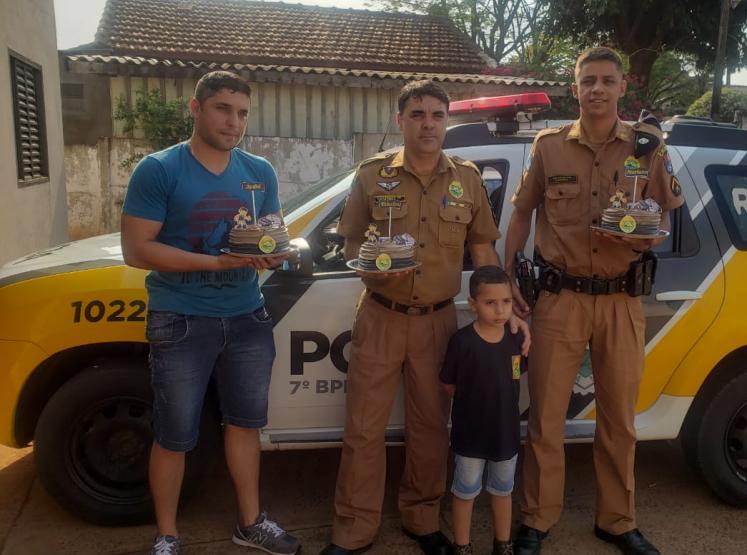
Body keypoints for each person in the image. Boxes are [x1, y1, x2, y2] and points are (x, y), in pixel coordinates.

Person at [321, 80, 529, 555]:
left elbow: (482, 250)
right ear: (401, 120)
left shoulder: (468, 178)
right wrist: (376, 260)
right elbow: (352, 240)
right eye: (417, 114)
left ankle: (420, 518)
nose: (428, 123)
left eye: (437, 114)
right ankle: (354, 529)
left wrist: (505, 310)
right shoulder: (372, 175)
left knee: (431, 427)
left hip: (438, 323)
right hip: (380, 316)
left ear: (446, 120)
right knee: (364, 428)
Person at [503, 47, 684, 555]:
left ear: (623, 87)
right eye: (589, 81)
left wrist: (647, 237)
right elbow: (521, 213)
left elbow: (666, 219)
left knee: (619, 419)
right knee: (545, 418)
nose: (597, 89)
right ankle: (537, 519)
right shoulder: (549, 146)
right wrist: (510, 273)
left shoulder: (648, 147)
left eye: (607, 80)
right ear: (576, 87)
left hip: (622, 300)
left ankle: (618, 520)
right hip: (559, 300)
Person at [121, 70, 300, 555]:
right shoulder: (159, 170)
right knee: (175, 434)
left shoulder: (259, 171)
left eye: (242, 113)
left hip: (247, 316)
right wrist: (217, 262)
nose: (234, 121)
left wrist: (272, 253)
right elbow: (137, 250)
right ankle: (167, 536)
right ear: (196, 109)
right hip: (180, 318)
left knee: (245, 425)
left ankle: (250, 523)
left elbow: (271, 235)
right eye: (223, 109)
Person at [439, 266, 524, 555]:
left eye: (506, 302)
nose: (500, 310)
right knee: (465, 492)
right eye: (490, 303)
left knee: (503, 491)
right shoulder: (462, 342)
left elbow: (515, 376)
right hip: (470, 437)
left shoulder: (515, 339)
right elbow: (449, 385)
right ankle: (462, 545)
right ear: (473, 304)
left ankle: (503, 544)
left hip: (505, 435)